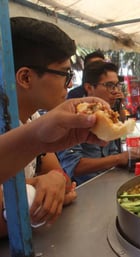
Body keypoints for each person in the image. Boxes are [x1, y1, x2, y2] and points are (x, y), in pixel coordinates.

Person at [0, 16, 82, 236]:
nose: (71, 84)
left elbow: (63, 179)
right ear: (25, 77)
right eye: (65, 74)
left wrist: (53, 179)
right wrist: (38, 186)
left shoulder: (35, 119)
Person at [57, 61, 140, 185]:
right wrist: (119, 158)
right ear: (89, 87)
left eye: (117, 85)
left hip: (109, 183)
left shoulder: (107, 114)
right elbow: (73, 166)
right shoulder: (73, 115)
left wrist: (132, 156)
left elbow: (113, 154)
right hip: (84, 190)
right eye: (109, 85)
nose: (115, 91)